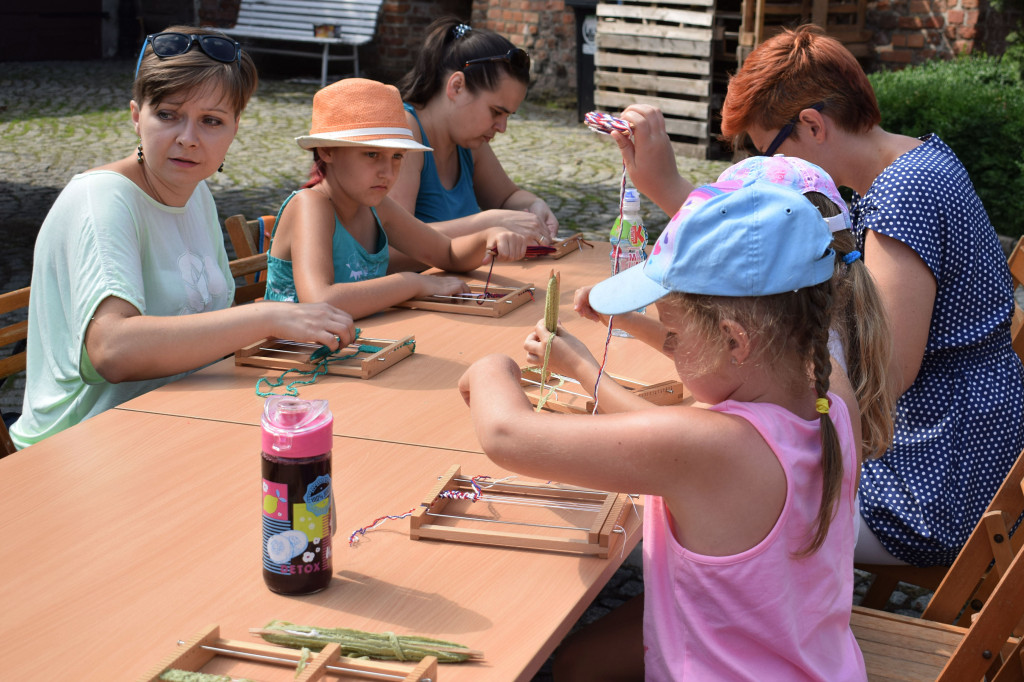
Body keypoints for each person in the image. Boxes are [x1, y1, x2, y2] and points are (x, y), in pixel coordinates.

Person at [610, 25, 1024, 568]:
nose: (772, 177)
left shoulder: (905, 199)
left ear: (811, 124)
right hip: (960, 450)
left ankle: (725, 635)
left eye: (770, 153)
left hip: (927, 481)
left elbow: (885, 375)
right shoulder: (914, 165)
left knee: (673, 512)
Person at [460, 179, 873, 680]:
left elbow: (507, 436)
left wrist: (489, 367)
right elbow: (673, 439)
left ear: (735, 341)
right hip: (807, 655)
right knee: (579, 662)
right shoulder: (830, 387)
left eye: (673, 336)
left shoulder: (713, 447)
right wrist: (619, 341)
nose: (670, 349)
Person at [9, 27, 355, 450]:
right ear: (137, 116)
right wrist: (266, 317)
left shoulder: (195, 192)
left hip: (176, 423)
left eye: (211, 121)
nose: (188, 138)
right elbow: (111, 349)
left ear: (234, 129)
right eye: (168, 114)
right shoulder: (102, 200)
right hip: (82, 445)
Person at [538, 155, 896, 462]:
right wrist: (625, 318)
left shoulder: (751, 430)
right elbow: (709, 350)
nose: (677, 344)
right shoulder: (811, 355)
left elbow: (656, 435)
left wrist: (579, 367)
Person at [262, 78, 529, 319]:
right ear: (327, 151)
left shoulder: (377, 207)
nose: (388, 173)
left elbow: (446, 252)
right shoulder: (311, 205)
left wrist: (488, 237)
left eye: (397, 156)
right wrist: (412, 283)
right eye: (372, 154)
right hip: (292, 360)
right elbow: (321, 301)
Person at [388, 16, 559, 271]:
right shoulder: (404, 132)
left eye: (507, 116)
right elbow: (390, 248)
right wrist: (486, 224)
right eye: (495, 112)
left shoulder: (468, 142)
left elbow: (507, 197)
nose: (502, 128)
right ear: (456, 86)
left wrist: (533, 206)